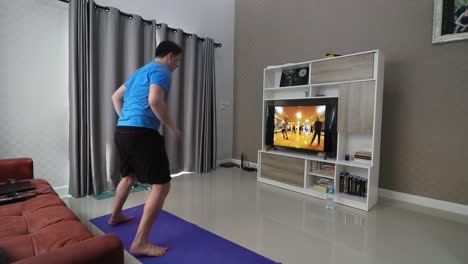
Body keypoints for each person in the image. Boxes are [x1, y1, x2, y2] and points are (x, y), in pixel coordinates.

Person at [109, 40, 182, 257]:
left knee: (129, 176)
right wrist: (171, 128)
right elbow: (154, 100)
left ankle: (115, 216)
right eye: (178, 60)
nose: (177, 65)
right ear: (170, 56)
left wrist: (125, 118)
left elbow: (116, 96)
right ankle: (140, 242)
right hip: (142, 133)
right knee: (161, 186)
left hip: (122, 131)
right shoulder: (162, 71)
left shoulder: (141, 71)